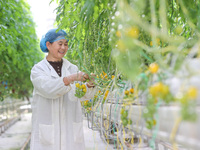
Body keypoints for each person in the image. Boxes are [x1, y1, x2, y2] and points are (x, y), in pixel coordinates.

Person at [30, 28, 96, 150]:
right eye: (60, 44)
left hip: (70, 132)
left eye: (66, 44)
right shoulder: (38, 70)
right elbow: (48, 89)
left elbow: (78, 94)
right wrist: (71, 78)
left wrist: (89, 86)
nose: (63, 47)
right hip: (47, 134)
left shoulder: (72, 68)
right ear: (48, 45)